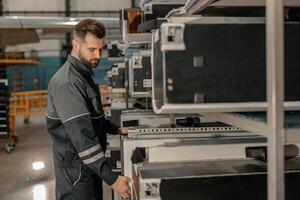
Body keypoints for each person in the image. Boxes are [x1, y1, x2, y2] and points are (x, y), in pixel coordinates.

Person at [46, 19, 131, 200]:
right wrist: (112, 179)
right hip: (76, 173)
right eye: (92, 49)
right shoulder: (68, 82)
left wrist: (115, 128)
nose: (98, 55)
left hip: (89, 167)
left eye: (101, 49)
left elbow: (91, 117)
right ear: (76, 44)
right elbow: (82, 138)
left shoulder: (83, 75)